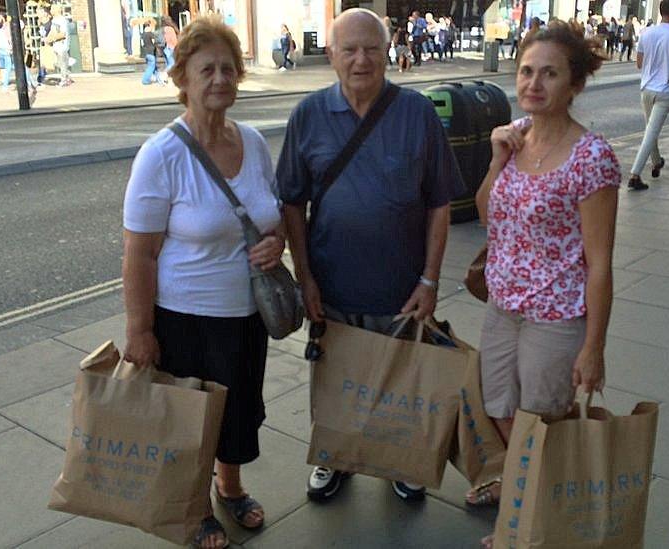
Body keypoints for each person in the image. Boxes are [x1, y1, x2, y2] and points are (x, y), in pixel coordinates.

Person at [276, 8, 462, 504]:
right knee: (336, 381)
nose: (362, 59)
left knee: (400, 383)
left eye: (372, 48)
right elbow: (291, 202)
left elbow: (439, 202)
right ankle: (334, 457)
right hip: (332, 283)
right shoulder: (308, 115)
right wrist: (305, 276)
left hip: (401, 287)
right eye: (350, 49)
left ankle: (401, 460)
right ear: (331, 55)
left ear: (388, 52)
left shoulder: (417, 112)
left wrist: (429, 279)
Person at [122, 15, 283, 549]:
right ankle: (192, 510)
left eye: (228, 69)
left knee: (239, 413)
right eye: (206, 69)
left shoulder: (255, 142)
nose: (220, 79)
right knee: (190, 422)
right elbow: (139, 253)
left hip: (246, 315)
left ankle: (230, 489)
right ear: (183, 78)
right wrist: (140, 330)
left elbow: (270, 215)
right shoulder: (161, 154)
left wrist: (276, 242)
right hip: (184, 317)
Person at [473, 22, 619, 548]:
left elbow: (600, 262)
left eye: (549, 73)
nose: (534, 83)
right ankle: (524, 486)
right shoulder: (516, 135)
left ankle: (525, 524)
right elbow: (489, 214)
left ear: (574, 84)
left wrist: (593, 347)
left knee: (540, 424)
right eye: (526, 71)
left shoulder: (591, 157)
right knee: (500, 409)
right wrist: (496, 160)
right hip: (502, 306)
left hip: (556, 316)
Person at [625, 0, 669, 191]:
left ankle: (656, 161)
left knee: (650, 130)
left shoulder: (646, 33)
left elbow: (639, 63)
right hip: (665, 90)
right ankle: (635, 175)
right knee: (650, 133)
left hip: (646, 88)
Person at [139, 18, 163, 85]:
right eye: (151, 26)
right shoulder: (150, 34)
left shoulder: (142, 34)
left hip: (146, 53)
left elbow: (142, 44)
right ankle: (145, 80)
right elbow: (154, 42)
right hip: (151, 52)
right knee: (151, 67)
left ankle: (159, 79)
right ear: (149, 26)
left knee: (153, 67)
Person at [0, 12, 13, 92]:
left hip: (6, 49)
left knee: (8, 67)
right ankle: (4, 81)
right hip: (0, 50)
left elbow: (10, 38)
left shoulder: (7, 27)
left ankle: (5, 84)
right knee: (3, 67)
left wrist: (11, 48)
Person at [161, 15, 179, 81]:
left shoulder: (164, 29)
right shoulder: (170, 29)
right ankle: (163, 75)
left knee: (169, 63)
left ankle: (166, 77)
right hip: (171, 47)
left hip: (166, 48)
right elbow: (173, 39)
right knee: (172, 63)